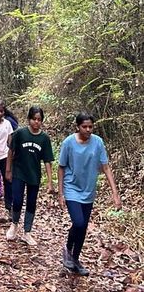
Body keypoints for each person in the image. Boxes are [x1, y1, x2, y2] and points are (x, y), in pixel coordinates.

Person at [58, 113, 122, 276]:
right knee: (78, 223)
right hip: (71, 188)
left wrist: (115, 193)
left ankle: (75, 259)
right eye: (84, 127)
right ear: (77, 127)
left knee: (83, 227)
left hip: (89, 189)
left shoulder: (98, 142)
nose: (87, 130)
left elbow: (106, 167)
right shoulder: (68, 143)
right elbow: (61, 167)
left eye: (90, 127)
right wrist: (61, 193)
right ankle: (68, 249)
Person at [6, 106, 54, 246]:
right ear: (29, 119)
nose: (36, 122)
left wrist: (50, 181)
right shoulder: (20, 133)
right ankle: (14, 225)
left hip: (34, 175)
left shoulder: (44, 138)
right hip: (19, 172)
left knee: (32, 203)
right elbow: (11, 151)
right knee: (18, 199)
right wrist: (8, 170)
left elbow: (47, 161)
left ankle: (27, 231)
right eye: (34, 119)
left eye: (39, 120)